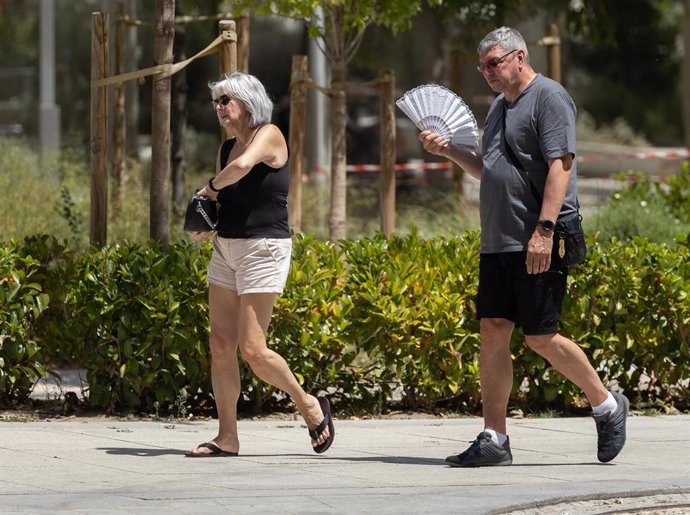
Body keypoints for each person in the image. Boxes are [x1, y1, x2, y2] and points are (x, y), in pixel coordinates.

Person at [418, 27, 628, 467]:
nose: (487, 73)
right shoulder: (497, 107)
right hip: (498, 238)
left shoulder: (549, 97)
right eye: (482, 67)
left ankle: (606, 404)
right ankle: (495, 438)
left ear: (519, 57)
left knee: (541, 336)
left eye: (494, 63)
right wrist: (450, 152)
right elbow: (487, 169)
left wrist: (545, 230)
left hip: (538, 236)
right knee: (493, 330)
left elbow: (561, 166)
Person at [186, 71, 335, 457]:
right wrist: (203, 222)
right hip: (226, 248)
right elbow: (221, 198)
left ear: (248, 103)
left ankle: (308, 404)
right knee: (220, 343)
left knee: (253, 350)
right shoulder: (224, 149)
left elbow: (241, 170)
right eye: (216, 101)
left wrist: (208, 188)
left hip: (263, 248)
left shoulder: (269, 135)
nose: (219, 108)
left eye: (225, 100)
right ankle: (227, 437)